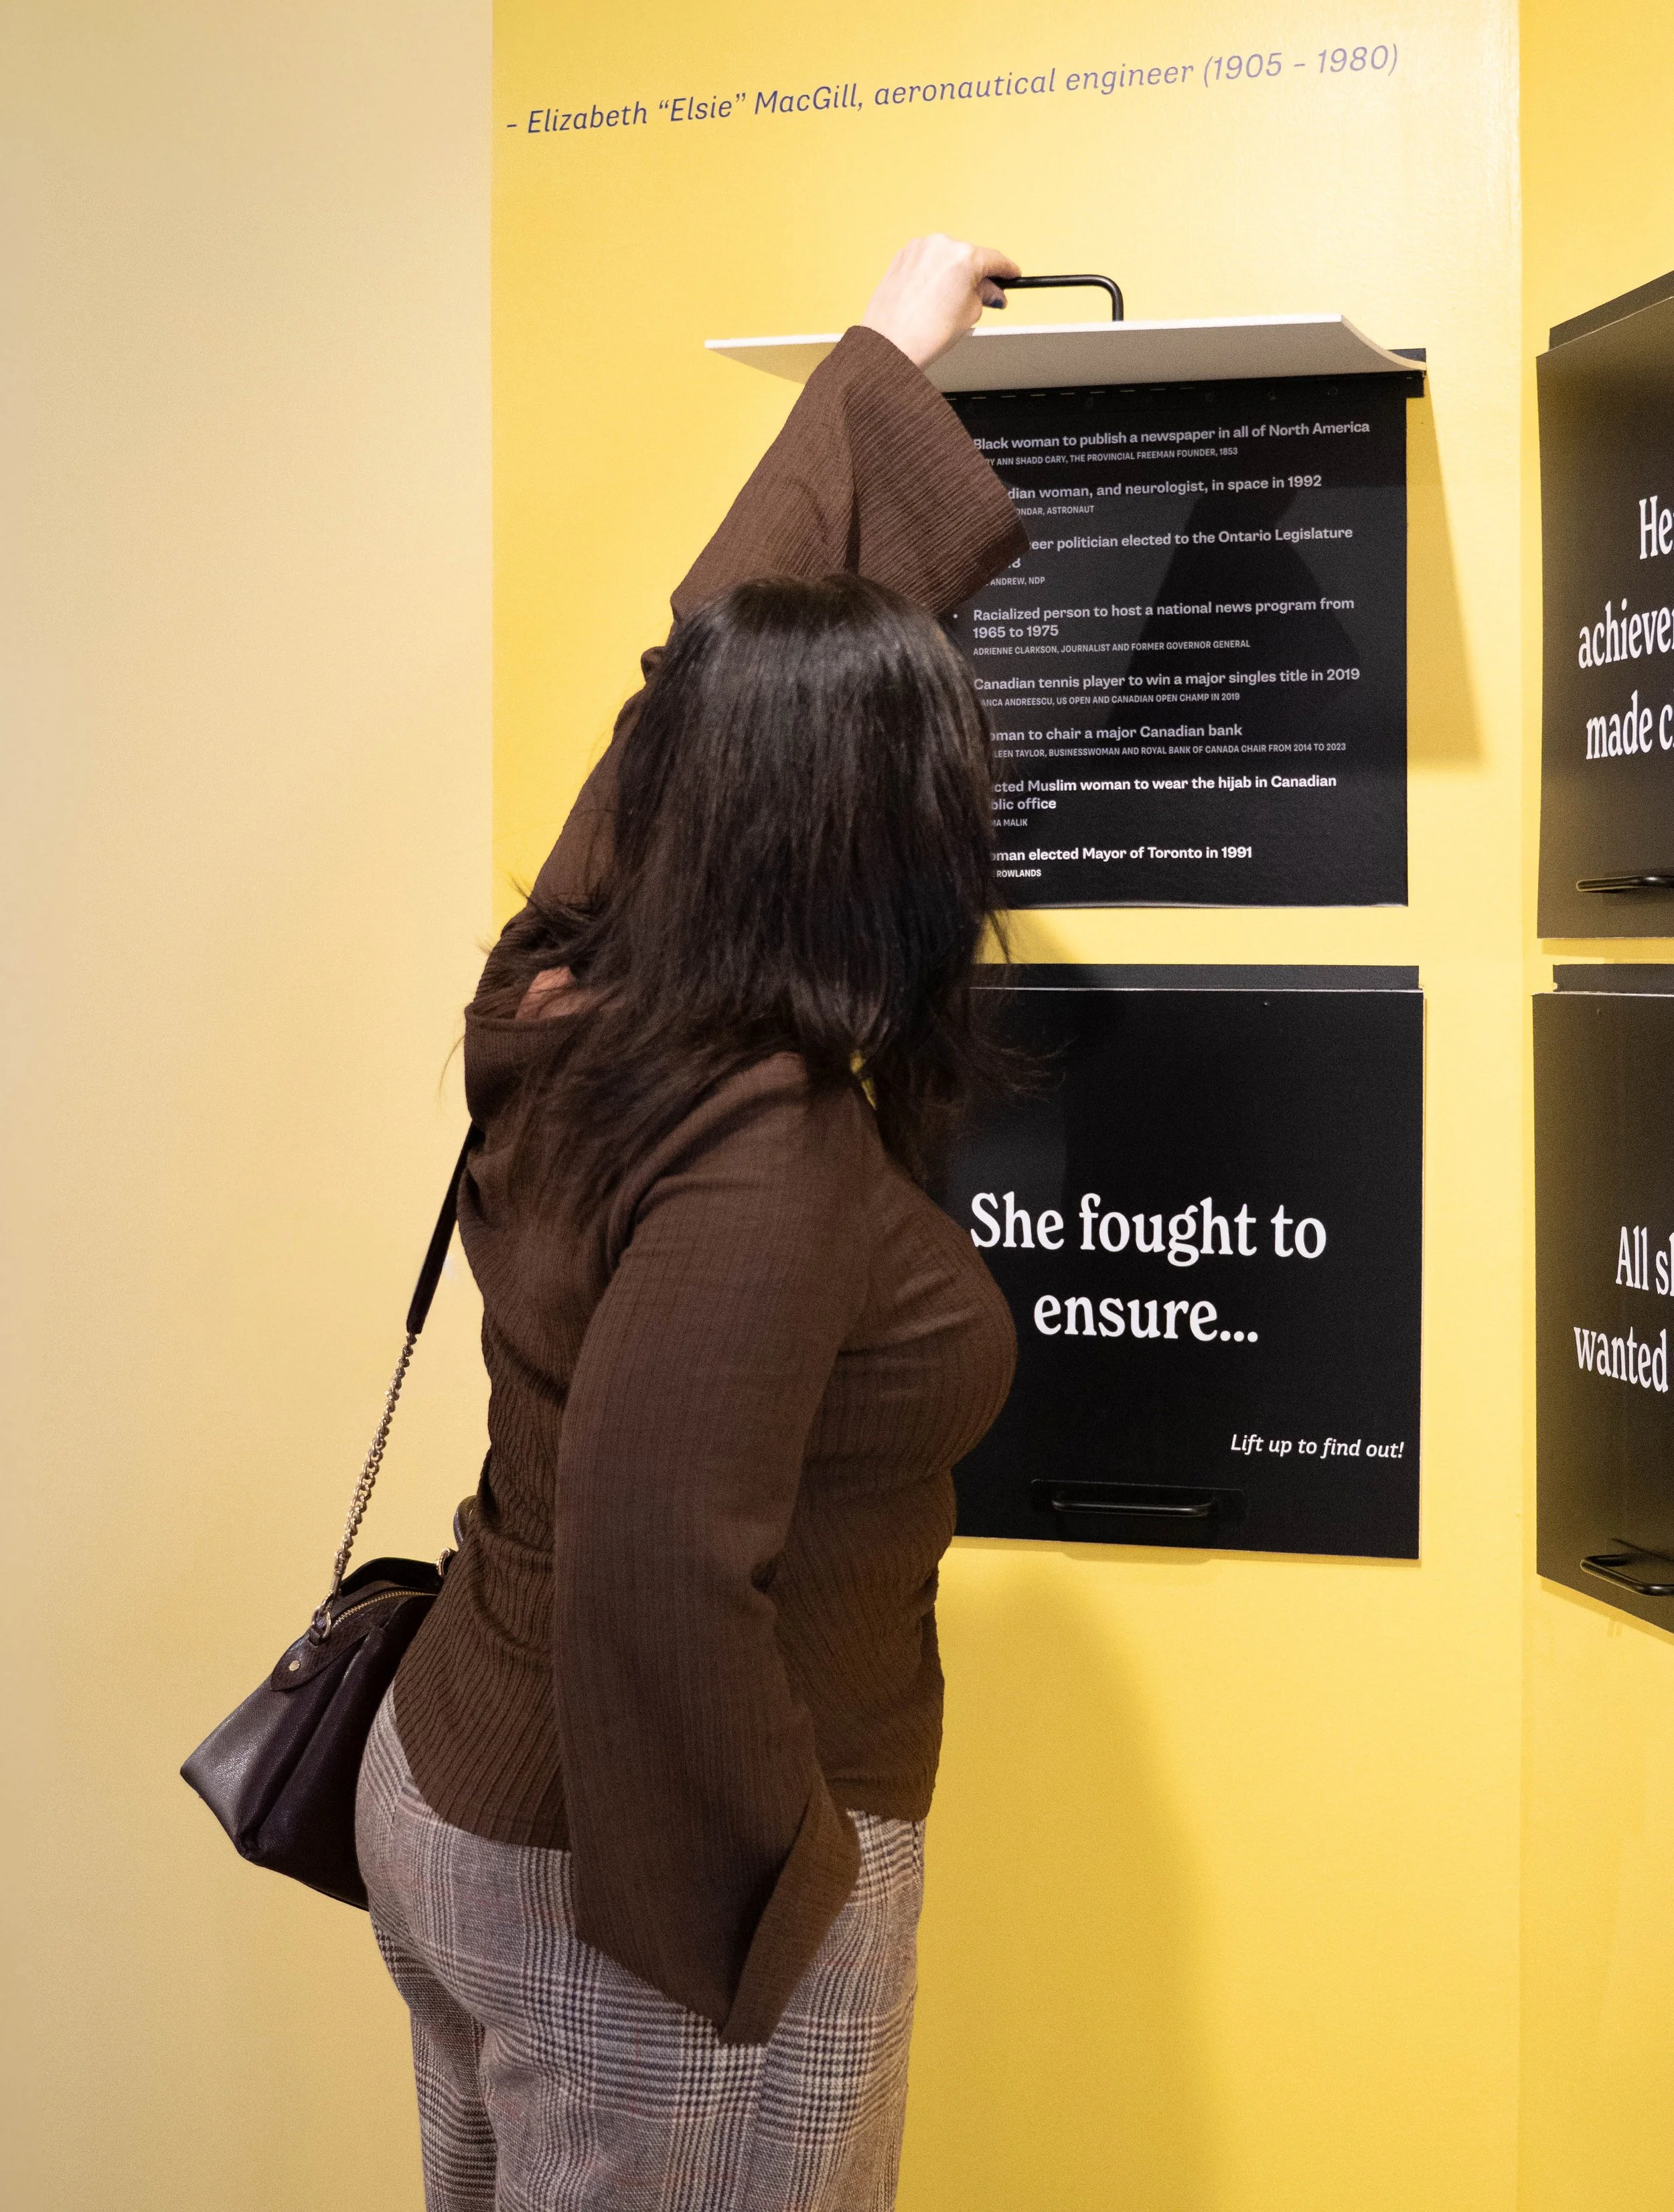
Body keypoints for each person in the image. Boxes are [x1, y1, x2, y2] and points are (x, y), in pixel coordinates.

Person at [356, 235, 1029, 2212]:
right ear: (888, 854)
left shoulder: (572, 977)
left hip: (469, 1785)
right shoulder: (767, 1159)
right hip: (651, 1896)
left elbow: (713, 664)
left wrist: (886, 362)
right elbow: (659, 1577)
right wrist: (773, 1908)